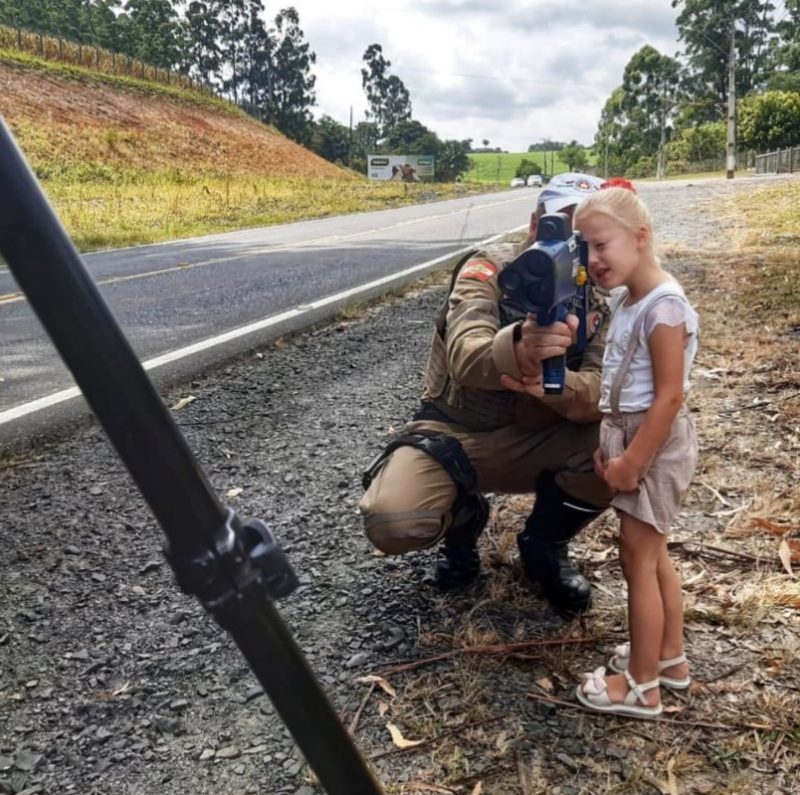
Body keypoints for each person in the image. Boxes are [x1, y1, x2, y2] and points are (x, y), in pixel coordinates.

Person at [359, 173, 612, 618]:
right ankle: (462, 519)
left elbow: (598, 393)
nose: (578, 244)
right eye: (565, 227)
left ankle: (544, 548)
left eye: (591, 233)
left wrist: (553, 385)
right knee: (392, 520)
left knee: (624, 440)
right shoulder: (488, 271)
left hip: (542, 439)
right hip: (458, 434)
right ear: (536, 226)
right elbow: (465, 355)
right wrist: (517, 349)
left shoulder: (602, 301)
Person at [569, 185, 699, 718]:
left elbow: (670, 396)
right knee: (653, 552)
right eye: (586, 249)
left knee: (636, 559)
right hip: (635, 438)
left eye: (601, 246)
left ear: (640, 238)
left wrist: (632, 461)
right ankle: (670, 658)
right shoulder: (630, 298)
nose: (593, 260)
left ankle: (642, 686)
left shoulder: (664, 307)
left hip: (653, 444)